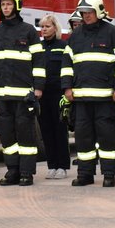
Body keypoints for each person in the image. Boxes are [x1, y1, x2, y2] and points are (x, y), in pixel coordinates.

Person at [61, 0, 115, 187]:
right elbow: (67, 64)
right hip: (82, 99)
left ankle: (109, 174)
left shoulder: (113, 33)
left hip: (105, 99)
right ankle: (85, 173)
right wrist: (67, 87)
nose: (86, 16)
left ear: (99, 11)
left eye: (89, 12)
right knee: (83, 139)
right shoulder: (76, 36)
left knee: (107, 137)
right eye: (83, 13)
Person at [0, 0, 45, 186]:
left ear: (17, 6)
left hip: (24, 94)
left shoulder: (28, 31)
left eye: (9, 4)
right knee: (6, 134)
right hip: (2, 95)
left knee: (25, 133)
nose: (6, 7)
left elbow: (38, 62)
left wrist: (38, 88)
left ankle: (27, 172)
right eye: (3, 5)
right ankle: (12, 170)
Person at [38, 14, 71, 179]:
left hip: (58, 94)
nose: (44, 29)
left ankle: (63, 167)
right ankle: (52, 166)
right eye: (42, 27)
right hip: (42, 95)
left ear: (55, 28)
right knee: (46, 131)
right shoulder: (37, 47)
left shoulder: (63, 46)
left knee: (59, 130)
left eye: (47, 26)